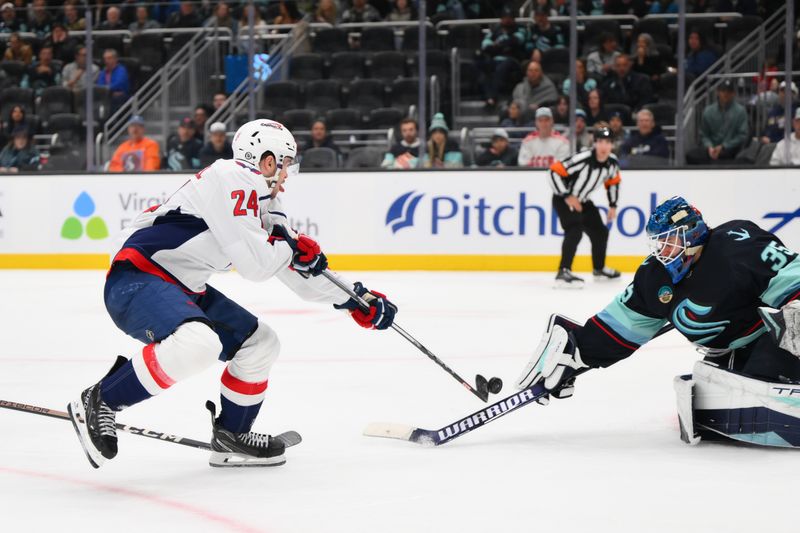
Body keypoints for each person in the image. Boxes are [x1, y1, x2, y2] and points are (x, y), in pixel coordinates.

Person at [66, 118, 398, 468]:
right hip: (137, 280)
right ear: (267, 160)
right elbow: (259, 265)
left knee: (260, 344)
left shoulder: (265, 199)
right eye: (286, 163)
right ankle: (102, 399)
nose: (287, 174)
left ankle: (231, 436)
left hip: (182, 288)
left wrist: (355, 298)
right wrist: (291, 248)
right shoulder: (231, 177)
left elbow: (290, 266)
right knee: (200, 342)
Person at [516, 196, 800, 448]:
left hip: (775, 341)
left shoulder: (737, 244)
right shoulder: (654, 278)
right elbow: (619, 326)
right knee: (727, 381)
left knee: (770, 362)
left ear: (693, 233)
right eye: (659, 243)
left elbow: (791, 277)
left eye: (670, 240)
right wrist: (577, 353)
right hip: (728, 356)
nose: (663, 251)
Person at [547, 127, 621, 287]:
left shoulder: (612, 163)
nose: (603, 146)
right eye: (600, 142)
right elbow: (554, 172)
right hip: (564, 198)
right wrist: (567, 196)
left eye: (607, 142)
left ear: (612, 145)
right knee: (575, 231)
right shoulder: (583, 158)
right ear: (594, 143)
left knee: (600, 232)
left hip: (583, 200)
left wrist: (613, 205)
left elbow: (613, 182)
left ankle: (599, 269)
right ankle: (563, 271)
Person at [686, 80, 749, 164]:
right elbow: (704, 135)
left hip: (730, 149)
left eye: (729, 92)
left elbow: (742, 135)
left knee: (732, 156)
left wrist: (724, 146)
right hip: (711, 148)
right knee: (690, 155)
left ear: (733, 93)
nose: (726, 94)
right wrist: (709, 146)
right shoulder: (708, 111)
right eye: (723, 91)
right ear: (717, 92)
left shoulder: (740, 111)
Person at [479, 6, 527, 106]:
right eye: (505, 17)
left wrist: (497, 46)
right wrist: (502, 46)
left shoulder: (520, 28)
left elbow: (516, 41)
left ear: (513, 19)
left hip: (513, 60)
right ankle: (489, 97)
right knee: (483, 66)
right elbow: (485, 45)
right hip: (496, 59)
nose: (507, 20)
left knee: (503, 66)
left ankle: (492, 97)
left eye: (509, 17)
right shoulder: (495, 29)